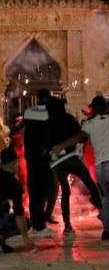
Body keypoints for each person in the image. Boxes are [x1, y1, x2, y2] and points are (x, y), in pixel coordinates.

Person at [52, 96, 109, 241]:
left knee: (107, 197)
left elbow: (78, 137)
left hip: (99, 167)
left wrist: (61, 146)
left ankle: (107, 231)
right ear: (108, 107)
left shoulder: (89, 124)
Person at [45, 97, 102, 234]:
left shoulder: (47, 123)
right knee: (90, 183)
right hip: (71, 158)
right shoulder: (68, 119)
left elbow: (45, 144)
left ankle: (68, 226)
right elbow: (81, 135)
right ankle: (103, 210)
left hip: (57, 161)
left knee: (65, 191)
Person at [23, 88, 57, 236]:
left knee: (34, 190)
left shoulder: (29, 112)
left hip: (31, 157)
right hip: (44, 157)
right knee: (44, 190)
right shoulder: (50, 113)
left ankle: (36, 222)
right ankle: (39, 225)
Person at [0, 147, 35, 253]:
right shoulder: (14, 185)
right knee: (27, 222)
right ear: (15, 162)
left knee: (4, 208)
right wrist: (26, 237)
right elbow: (18, 213)